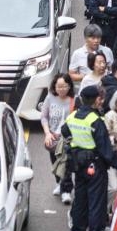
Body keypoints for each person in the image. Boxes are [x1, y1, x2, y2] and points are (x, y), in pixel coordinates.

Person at [63, 85, 117, 231]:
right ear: (96, 100)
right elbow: (106, 150)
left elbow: (65, 132)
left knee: (80, 202)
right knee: (96, 205)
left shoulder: (72, 116)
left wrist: (75, 146)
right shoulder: (96, 121)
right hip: (96, 167)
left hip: (78, 165)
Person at [41, 73, 75, 203]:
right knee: (55, 164)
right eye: (58, 86)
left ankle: (66, 190)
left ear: (69, 86)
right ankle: (59, 183)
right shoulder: (50, 98)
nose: (61, 89)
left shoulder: (74, 99)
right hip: (53, 137)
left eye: (64, 86)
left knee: (65, 163)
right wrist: (47, 133)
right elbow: (44, 117)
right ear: (54, 86)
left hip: (67, 138)